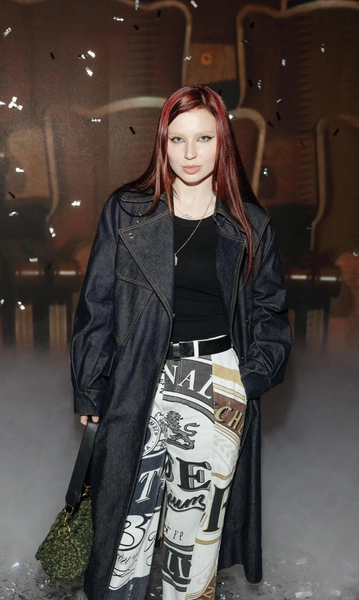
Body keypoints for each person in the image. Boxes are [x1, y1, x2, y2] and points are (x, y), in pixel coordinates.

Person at [71, 84, 292, 600]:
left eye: (204, 138)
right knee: (123, 536)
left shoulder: (249, 224)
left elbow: (272, 314)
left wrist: (245, 381)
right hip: (138, 382)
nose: (190, 153)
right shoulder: (128, 211)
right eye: (177, 139)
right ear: (162, 144)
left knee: (192, 553)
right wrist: (91, 388)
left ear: (223, 143)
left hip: (217, 386)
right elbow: (97, 305)